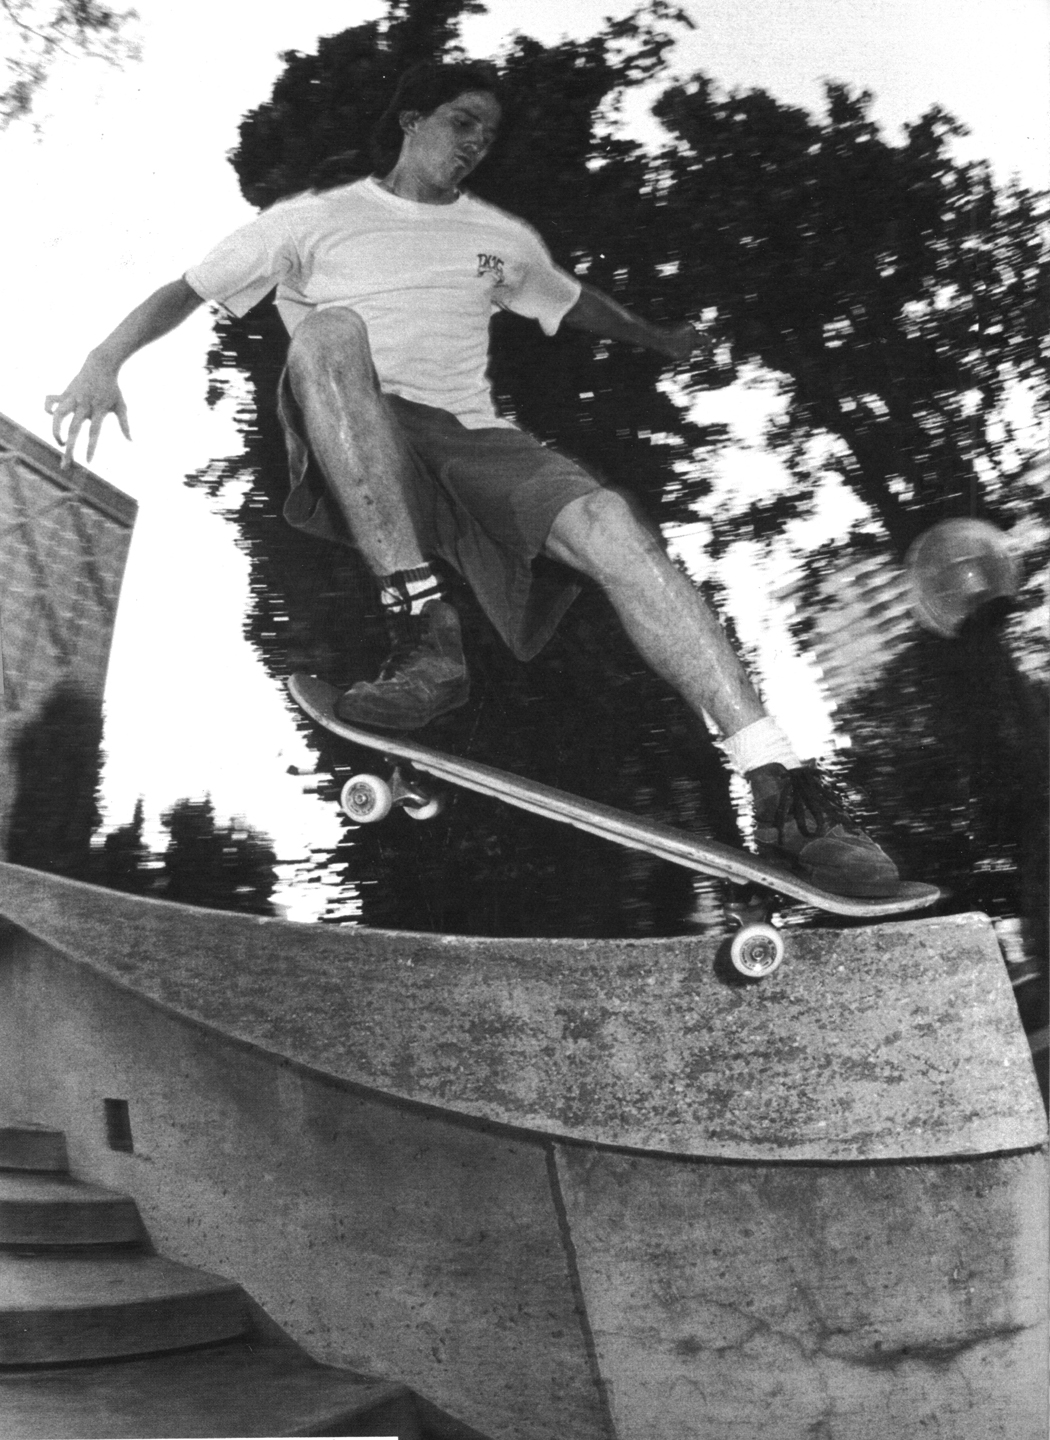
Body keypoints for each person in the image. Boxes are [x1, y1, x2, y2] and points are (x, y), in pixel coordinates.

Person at [46, 59, 899, 898]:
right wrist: (102, 361)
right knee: (329, 335)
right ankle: (424, 631)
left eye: (488, 135)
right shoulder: (311, 222)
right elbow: (187, 289)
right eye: (461, 123)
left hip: (474, 443)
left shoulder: (500, 240)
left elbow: (572, 301)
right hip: (363, 433)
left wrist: (661, 338)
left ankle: (780, 784)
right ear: (411, 120)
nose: (475, 145)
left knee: (609, 521)